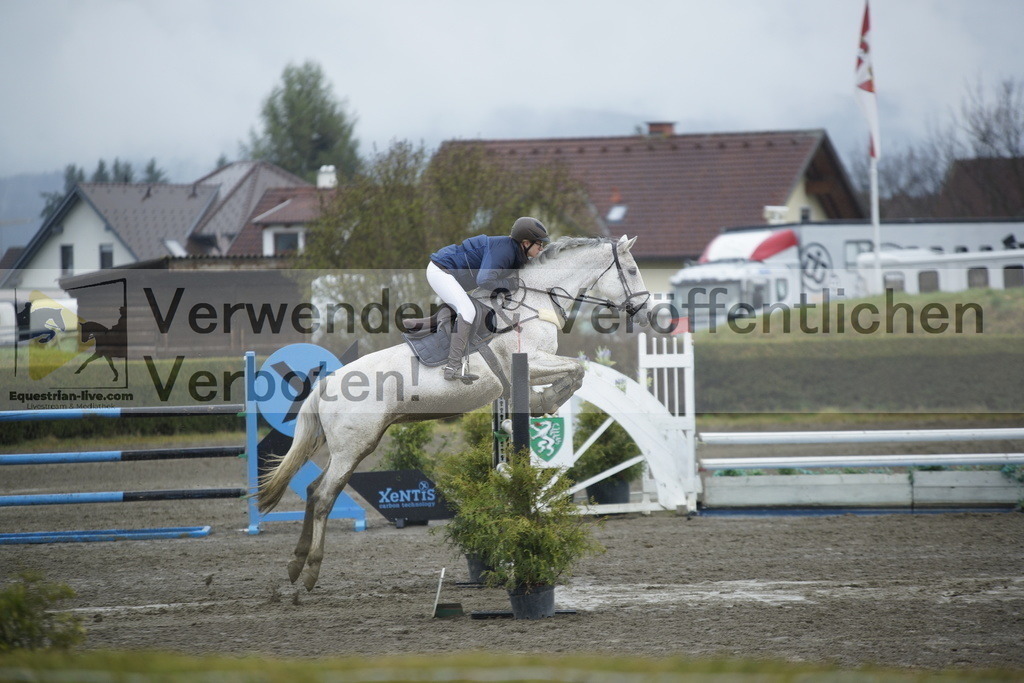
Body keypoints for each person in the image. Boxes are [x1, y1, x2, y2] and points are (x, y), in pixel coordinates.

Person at [427, 216, 550, 381]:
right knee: (468, 311)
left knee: (470, 309)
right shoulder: (505, 250)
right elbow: (484, 280)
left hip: (450, 273)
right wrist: (508, 284)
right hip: (441, 271)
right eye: (539, 244)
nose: (541, 248)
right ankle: (453, 367)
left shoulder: (515, 251)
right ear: (526, 243)